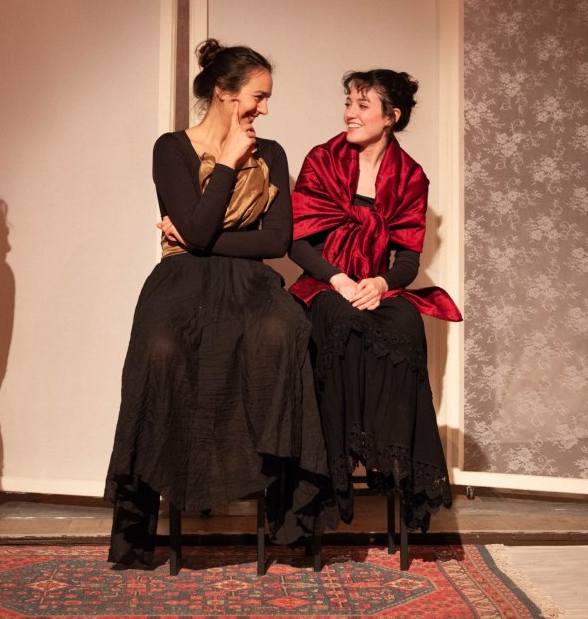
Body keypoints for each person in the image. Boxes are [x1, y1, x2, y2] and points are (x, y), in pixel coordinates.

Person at [105, 39, 331, 567]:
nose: (265, 109)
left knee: (282, 333)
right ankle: (138, 528)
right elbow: (200, 230)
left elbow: (274, 241)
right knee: (159, 351)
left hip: (249, 283)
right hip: (181, 281)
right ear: (225, 93)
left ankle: (289, 521)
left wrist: (196, 237)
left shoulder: (272, 153)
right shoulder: (170, 148)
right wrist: (227, 162)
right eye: (259, 96)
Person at [288, 69, 461, 533]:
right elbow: (297, 242)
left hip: (373, 286)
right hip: (326, 284)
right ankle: (333, 471)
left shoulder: (410, 176)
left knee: (405, 322)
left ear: (391, 117)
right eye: (348, 102)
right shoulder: (323, 159)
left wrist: (381, 284)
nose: (350, 113)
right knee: (337, 319)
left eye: (362, 105)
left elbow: (408, 259)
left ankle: (393, 456)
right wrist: (337, 278)